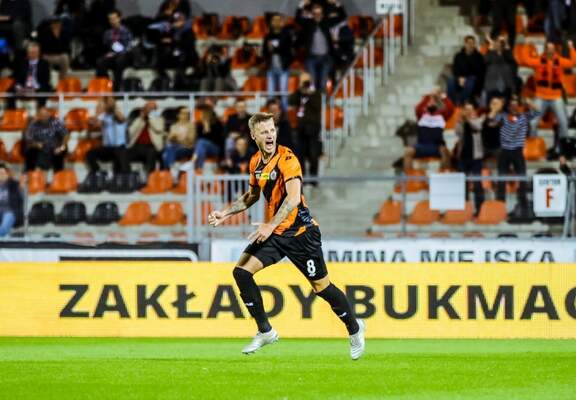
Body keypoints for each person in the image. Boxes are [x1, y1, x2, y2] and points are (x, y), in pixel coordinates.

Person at [207, 112, 365, 359]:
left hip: (302, 234)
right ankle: (265, 331)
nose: (270, 135)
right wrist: (225, 213)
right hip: (277, 233)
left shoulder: (287, 159)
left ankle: (354, 328)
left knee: (322, 287)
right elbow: (252, 196)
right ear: (254, 136)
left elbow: (293, 199)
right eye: (264, 132)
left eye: (272, 130)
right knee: (241, 272)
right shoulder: (255, 162)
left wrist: (269, 225)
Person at [489, 95, 540, 213]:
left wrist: (528, 101)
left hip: (518, 151)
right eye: (512, 105)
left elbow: (538, 111)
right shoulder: (503, 116)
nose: (514, 107)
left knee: (522, 178)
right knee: (501, 180)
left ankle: (523, 205)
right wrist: (496, 108)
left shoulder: (524, 116)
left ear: (519, 106)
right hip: (504, 151)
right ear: (508, 106)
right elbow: (490, 121)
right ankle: (500, 205)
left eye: (516, 104)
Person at [524, 41, 576, 155]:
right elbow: (527, 60)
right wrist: (527, 46)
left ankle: (564, 150)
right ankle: (533, 147)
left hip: (556, 97)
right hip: (540, 97)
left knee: (563, 122)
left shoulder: (560, 61)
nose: (551, 51)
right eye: (548, 48)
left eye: (552, 48)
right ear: (545, 49)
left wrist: (571, 48)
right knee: (533, 123)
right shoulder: (539, 61)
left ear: (554, 50)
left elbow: (573, 62)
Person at [296, 0, 347, 92]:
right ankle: (315, 100)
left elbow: (342, 16)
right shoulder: (308, 23)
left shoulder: (326, 22)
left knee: (323, 84)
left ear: (322, 12)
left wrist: (337, 3)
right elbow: (297, 19)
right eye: (315, 12)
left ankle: (322, 100)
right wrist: (302, 4)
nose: (317, 14)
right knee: (313, 84)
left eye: (319, 12)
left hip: (325, 58)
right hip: (311, 58)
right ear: (312, 13)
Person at [404, 93, 452, 170]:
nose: (432, 103)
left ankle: (443, 173)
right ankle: (408, 175)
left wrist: (442, 96)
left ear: (437, 104)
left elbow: (450, 108)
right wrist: (428, 97)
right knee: (408, 151)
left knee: (445, 151)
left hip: (436, 146)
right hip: (421, 145)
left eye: (434, 102)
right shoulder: (421, 115)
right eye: (430, 102)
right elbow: (418, 108)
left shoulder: (442, 115)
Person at [289, 75, 322, 181]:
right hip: (301, 128)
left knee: (313, 154)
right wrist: (299, 90)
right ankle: (301, 178)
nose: (305, 85)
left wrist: (310, 94)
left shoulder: (316, 93)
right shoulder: (300, 93)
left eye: (306, 82)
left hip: (313, 127)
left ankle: (313, 179)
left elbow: (317, 106)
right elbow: (291, 101)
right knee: (300, 154)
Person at [454, 101, 485, 215]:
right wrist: (461, 121)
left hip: (476, 157)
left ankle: (480, 209)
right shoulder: (461, 122)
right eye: (466, 109)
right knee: (463, 185)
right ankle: (464, 209)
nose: (468, 111)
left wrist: (468, 119)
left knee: (477, 184)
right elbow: (457, 132)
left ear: (473, 111)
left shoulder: (478, 120)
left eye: (470, 109)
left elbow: (477, 127)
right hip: (463, 157)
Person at [86, 97, 129, 173]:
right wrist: (98, 113)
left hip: (119, 148)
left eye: (110, 103)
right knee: (90, 154)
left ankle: (125, 176)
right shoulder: (104, 116)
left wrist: (112, 108)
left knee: (121, 157)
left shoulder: (118, 114)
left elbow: (122, 119)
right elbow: (93, 122)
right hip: (107, 148)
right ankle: (98, 173)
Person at [95, 9, 133, 90]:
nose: (112, 21)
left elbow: (128, 47)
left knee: (120, 60)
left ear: (119, 18)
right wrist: (108, 53)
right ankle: (106, 85)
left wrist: (116, 53)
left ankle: (117, 87)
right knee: (100, 62)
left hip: (124, 56)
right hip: (112, 56)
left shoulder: (126, 31)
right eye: (110, 19)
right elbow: (105, 46)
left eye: (114, 18)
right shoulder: (107, 33)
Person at [24, 107, 69, 172]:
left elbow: (66, 134)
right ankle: (30, 174)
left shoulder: (56, 122)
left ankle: (58, 174)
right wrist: (35, 144)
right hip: (40, 147)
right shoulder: (33, 124)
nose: (44, 117)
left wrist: (62, 146)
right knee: (30, 152)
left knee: (59, 154)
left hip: (55, 147)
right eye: (42, 115)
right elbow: (28, 138)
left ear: (49, 114)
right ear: (38, 115)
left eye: (46, 114)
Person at [262, 13, 293, 110]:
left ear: (282, 22)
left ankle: (285, 114)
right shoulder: (267, 36)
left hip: (283, 68)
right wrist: (268, 54)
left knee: (283, 92)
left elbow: (288, 51)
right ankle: (269, 115)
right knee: (270, 93)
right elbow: (264, 52)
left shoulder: (286, 35)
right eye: (274, 20)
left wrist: (274, 49)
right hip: (271, 68)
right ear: (271, 22)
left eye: (278, 20)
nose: (276, 22)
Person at [9, 42, 52, 109]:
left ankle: (41, 108)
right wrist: (19, 87)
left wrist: (35, 88)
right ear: (27, 53)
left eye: (34, 52)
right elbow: (18, 77)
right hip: (24, 87)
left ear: (38, 53)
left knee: (45, 88)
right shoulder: (22, 63)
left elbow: (46, 79)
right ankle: (12, 111)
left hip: (38, 87)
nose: (32, 54)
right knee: (10, 90)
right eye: (31, 52)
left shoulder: (44, 64)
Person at [154, 11, 198, 77]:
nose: (177, 22)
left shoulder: (188, 30)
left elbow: (188, 42)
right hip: (172, 52)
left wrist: (172, 40)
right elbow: (163, 38)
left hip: (184, 53)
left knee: (183, 57)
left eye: (180, 20)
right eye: (176, 20)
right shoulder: (170, 29)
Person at [127, 101, 166, 173]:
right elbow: (130, 132)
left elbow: (158, 128)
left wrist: (150, 117)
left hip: (151, 146)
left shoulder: (159, 119)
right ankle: (126, 175)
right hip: (137, 146)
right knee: (123, 153)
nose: (149, 111)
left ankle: (150, 176)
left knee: (151, 153)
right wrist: (140, 119)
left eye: (152, 109)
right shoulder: (139, 119)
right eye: (147, 108)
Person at [447, 35, 485, 105]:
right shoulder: (458, 56)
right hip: (460, 79)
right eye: (469, 43)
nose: (471, 45)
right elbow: (455, 69)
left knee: (471, 80)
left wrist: (465, 78)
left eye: (473, 43)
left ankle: (461, 101)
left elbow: (480, 72)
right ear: (465, 44)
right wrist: (459, 78)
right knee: (451, 80)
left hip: (473, 80)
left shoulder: (479, 57)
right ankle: (450, 102)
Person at [483, 35, 518, 104]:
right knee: (490, 106)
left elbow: (513, 64)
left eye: (501, 42)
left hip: (506, 86)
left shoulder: (507, 55)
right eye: (497, 41)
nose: (499, 44)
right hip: (492, 86)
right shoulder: (490, 54)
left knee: (505, 106)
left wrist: (507, 47)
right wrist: (491, 49)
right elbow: (485, 61)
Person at [193, 106, 224, 170]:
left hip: (215, 148)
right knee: (201, 146)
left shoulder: (217, 124)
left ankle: (196, 162)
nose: (203, 115)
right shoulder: (199, 125)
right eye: (203, 113)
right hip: (202, 147)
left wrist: (208, 129)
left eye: (206, 114)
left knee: (201, 142)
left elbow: (217, 139)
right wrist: (205, 128)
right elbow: (198, 138)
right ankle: (199, 168)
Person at [0, 164, 23, 237]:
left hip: (10, 211)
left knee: (4, 228)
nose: (1, 175)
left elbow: (19, 200)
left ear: (7, 174)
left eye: (3, 173)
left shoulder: (14, 185)